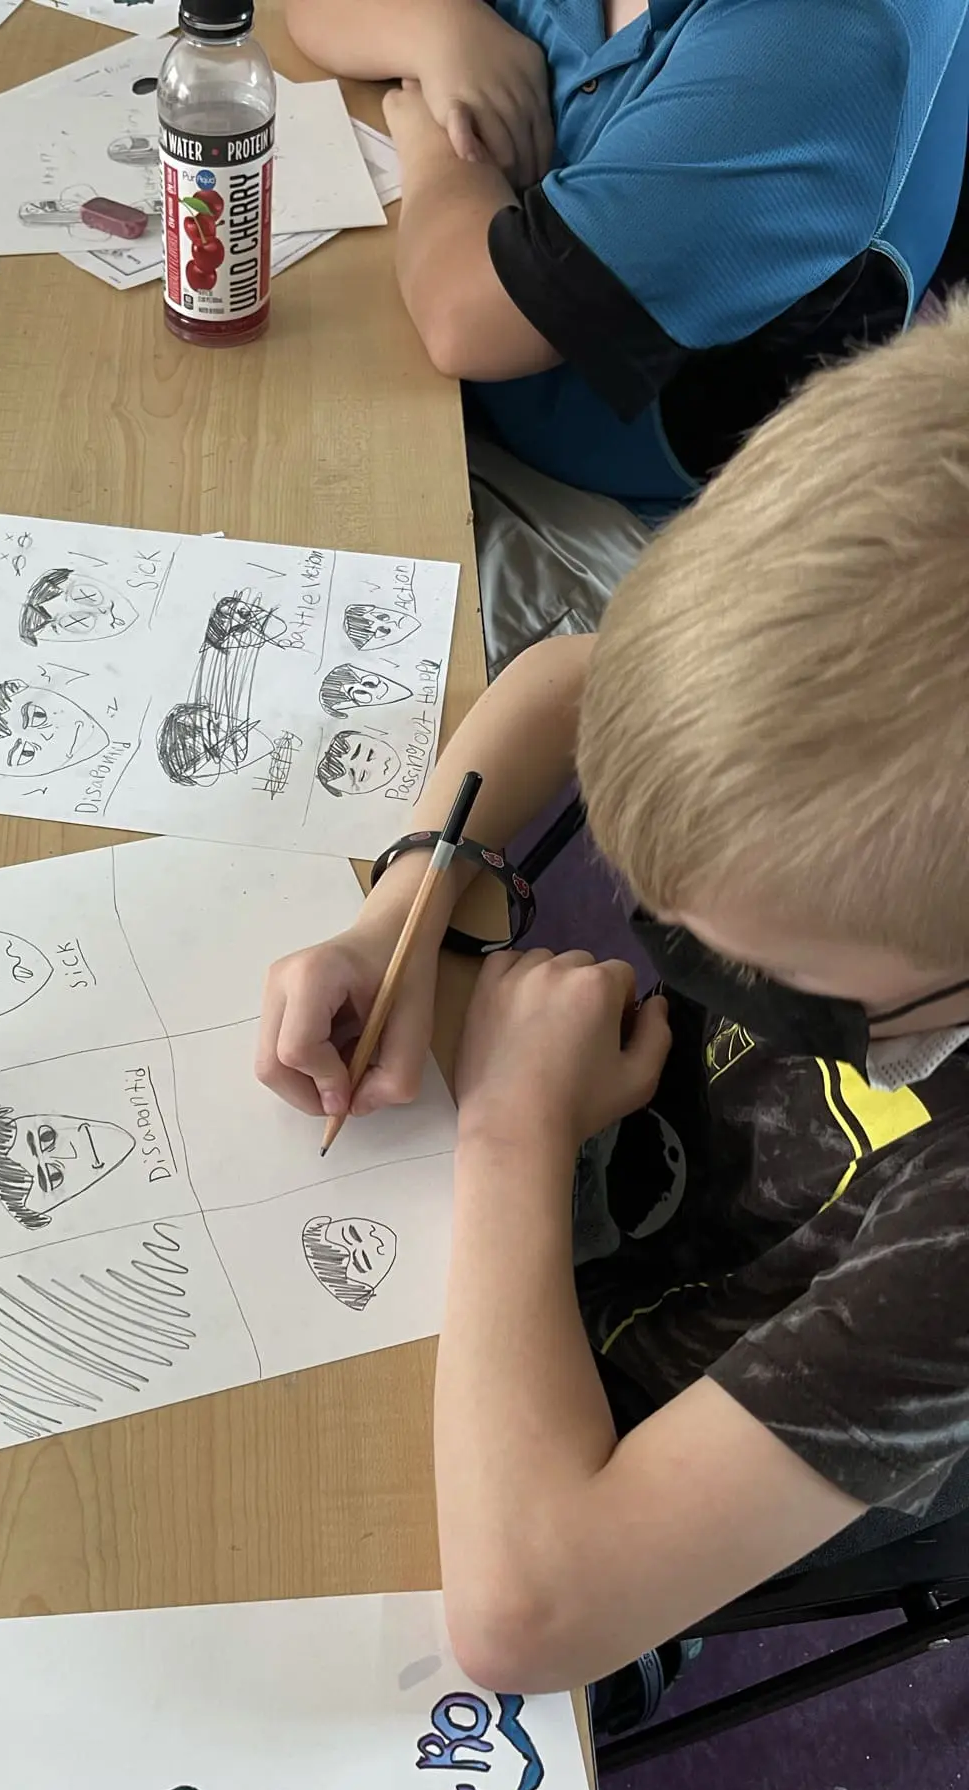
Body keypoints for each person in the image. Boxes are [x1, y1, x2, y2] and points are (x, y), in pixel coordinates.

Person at [255, 309, 969, 1711]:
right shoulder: (856, 666)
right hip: (607, 1207)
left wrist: (515, 1129)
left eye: (762, 973)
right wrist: (407, 902)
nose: (692, 961)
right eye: (664, 920)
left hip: (707, 1441)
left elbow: (530, 1621)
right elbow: (563, 680)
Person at [282, 0, 969, 669]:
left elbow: (468, 316)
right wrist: (437, 27)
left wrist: (439, 150)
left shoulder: (822, 35)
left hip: (620, 539)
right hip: (448, 390)